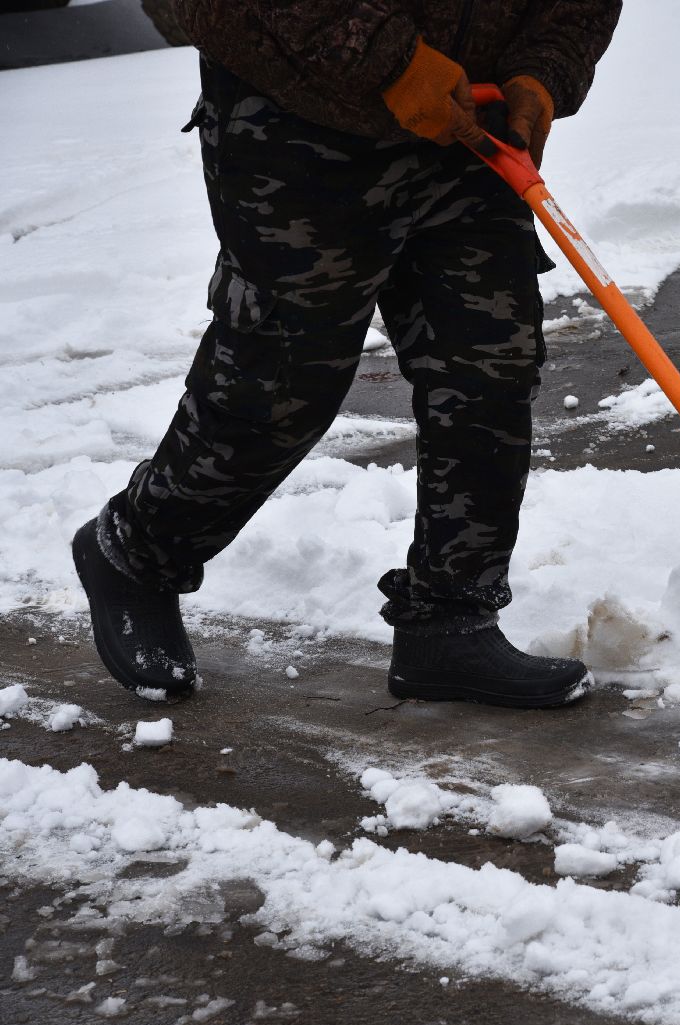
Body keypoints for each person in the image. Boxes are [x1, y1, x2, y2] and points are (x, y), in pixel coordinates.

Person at [73, 1, 622, 708]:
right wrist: (390, 60)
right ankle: (136, 554)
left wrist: (546, 68)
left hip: (466, 120)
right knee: (285, 379)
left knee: (490, 367)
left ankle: (449, 621)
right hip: (304, 119)